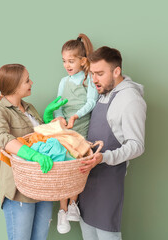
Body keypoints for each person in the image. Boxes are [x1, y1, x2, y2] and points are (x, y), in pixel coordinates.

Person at [0, 64, 66, 240]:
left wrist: (46, 119)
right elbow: (2, 137)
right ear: (14, 86)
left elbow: (40, 138)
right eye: (27, 80)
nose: (32, 82)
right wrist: (32, 155)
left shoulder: (29, 107)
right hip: (18, 187)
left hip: (42, 184)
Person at [78, 46, 147, 240]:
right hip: (88, 176)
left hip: (108, 180)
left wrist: (104, 157)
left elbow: (137, 144)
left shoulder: (130, 100)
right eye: (92, 73)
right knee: (87, 231)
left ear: (116, 71)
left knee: (108, 234)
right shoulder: (104, 92)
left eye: (99, 74)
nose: (94, 80)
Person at [52, 33, 99, 234]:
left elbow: (91, 102)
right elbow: (57, 106)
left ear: (83, 61)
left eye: (71, 61)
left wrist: (76, 117)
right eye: (64, 61)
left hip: (82, 129)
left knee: (78, 168)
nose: (67, 65)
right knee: (63, 167)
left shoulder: (89, 80)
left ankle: (73, 204)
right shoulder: (64, 82)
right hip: (66, 131)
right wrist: (61, 118)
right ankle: (62, 211)